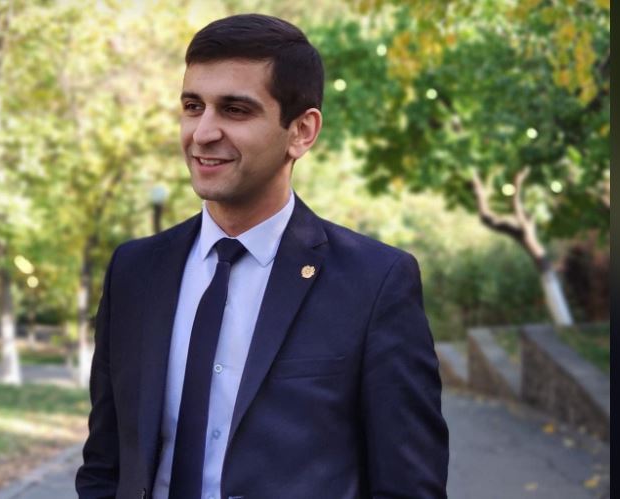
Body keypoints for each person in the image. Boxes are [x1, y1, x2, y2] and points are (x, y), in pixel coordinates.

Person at [76, 13, 448, 499]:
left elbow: (409, 485)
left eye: (235, 110)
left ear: (302, 131)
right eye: (193, 106)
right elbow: (105, 464)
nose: (202, 133)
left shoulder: (375, 282)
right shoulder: (134, 272)